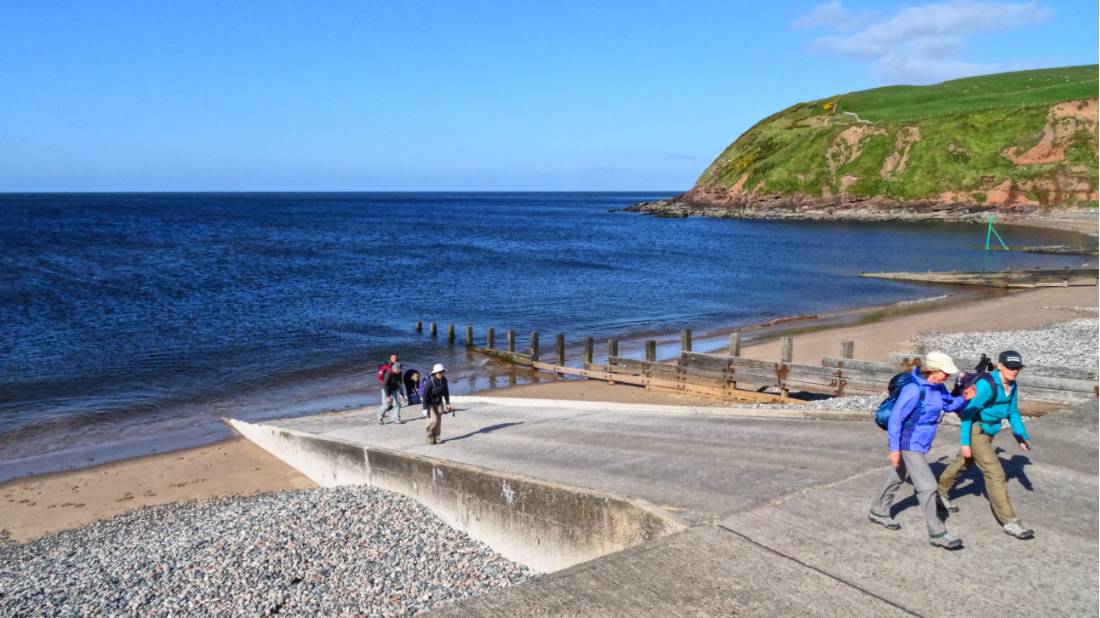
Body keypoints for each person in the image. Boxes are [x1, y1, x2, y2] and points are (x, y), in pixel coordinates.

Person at [869, 351, 970, 550]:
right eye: (945, 372)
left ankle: (878, 510)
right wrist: (894, 449)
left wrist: (965, 397)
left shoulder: (938, 387)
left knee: (898, 475)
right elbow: (896, 420)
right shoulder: (913, 390)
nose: (948, 376)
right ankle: (937, 532)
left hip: (922, 442)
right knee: (928, 486)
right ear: (933, 370)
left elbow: (949, 405)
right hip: (909, 442)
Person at [937, 350, 1035, 540]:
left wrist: (1020, 435)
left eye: (1018, 368)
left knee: (964, 462)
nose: (1015, 371)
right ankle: (1009, 521)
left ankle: (939, 491)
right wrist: (965, 443)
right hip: (976, 430)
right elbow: (967, 415)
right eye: (1011, 367)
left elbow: (1013, 411)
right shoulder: (986, 386)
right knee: (995, 473)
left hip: (990, 431)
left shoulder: (1012, 385)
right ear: (1000, 366)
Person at [422, 363, 453, 445]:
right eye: (439, 372)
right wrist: (424, 408)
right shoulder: (430, 382)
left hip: (439, 402)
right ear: (435, 373)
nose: (441, 373)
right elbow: (425, 395)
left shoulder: (444, 380)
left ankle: (437, 437)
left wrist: (448, 403)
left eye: (442, 372)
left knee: (438, 421)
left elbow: (446, 392)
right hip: (430, 403)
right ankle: (429, 436)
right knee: (434, 420)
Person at [377, 359, 406, 425]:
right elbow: (385, 385)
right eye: (398, 370)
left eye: (400, 370)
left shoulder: (399, 373)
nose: (399, 371)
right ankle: (379, 417)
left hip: (395, 388)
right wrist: (388, 396)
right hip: (386, 389)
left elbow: (400, 383)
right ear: (394, 368)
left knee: (397, 404)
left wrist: (402, 394)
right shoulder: (389, 373)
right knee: (386, 405)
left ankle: (396, 419)